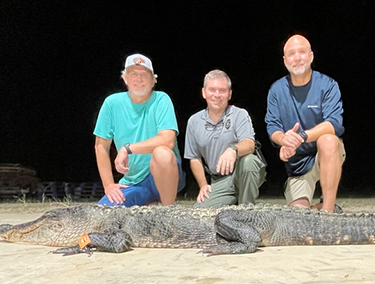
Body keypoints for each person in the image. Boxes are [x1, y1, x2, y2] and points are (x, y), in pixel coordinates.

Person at [265, 34, 345, 213]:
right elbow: (273, 127)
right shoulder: (276, 90)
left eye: (302, 52)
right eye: (291, 54)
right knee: (299, 215)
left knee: (328, 140)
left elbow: (334, 124)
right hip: (298, 164)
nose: (297, 58)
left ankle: (328, 213)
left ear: (311, 56)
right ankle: (319, 208)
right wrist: (284, 141)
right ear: (285, 60)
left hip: (325, 154)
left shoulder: (328, 85)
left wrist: (301, 137)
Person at [93, 53, 186, 207]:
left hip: (166, 175)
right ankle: (148, 201)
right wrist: (108, 184)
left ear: (153, 80)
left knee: (162, 153)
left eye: (144, 75)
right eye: (133, 74)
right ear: (125, 78)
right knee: (102, 210)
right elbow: (101, 146)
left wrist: (127, 149)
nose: (139, 79)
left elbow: (167, 140)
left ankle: (168, 210)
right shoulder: (111, 103)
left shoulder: (161, 99)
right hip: (133, 181)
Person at [184, 69, 266, 207]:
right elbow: (194, 157)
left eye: (222, 90)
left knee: (249, 161)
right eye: (212, 90)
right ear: (204, 92)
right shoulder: (194, 121)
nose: (217, 95)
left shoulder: (239, 114)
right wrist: (203, 185)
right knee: (200, 211)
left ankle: (246, 209)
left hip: (242, 172)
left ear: (229, 94)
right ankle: (233, 200)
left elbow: (250, 144)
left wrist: (233, 150)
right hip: (220, 180)